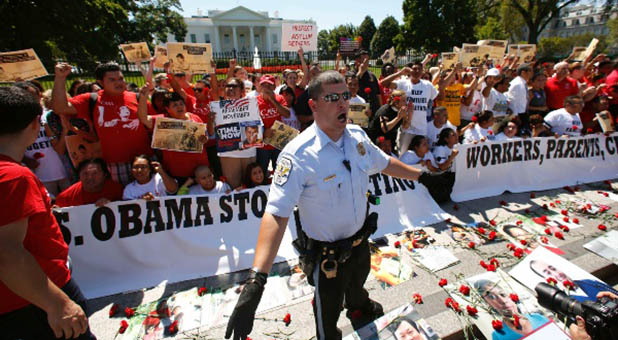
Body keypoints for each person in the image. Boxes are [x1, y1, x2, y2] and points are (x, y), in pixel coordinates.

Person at [224, 71, 423, 340]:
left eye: (344, 96)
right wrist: (256, 280)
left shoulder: (358, 137)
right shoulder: (297, 155)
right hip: (327, 257)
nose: (343, 103)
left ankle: (359, 307)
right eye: (332, 98)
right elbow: (276, 214)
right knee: (327, 315)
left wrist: (423, 176)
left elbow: (385, 163)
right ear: (313, 105)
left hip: (360, 244)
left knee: (357, 284)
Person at [0, 86, 95, 339]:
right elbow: (7, 253)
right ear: (35, 124)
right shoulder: (12, 176)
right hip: (33, 300)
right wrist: (57, 304)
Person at [52, 62, 154, 186]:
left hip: (144, 160)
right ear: (100, 82)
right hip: (115, 164)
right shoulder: (91, 100)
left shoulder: (138, 98)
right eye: (112, 80)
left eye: (121, 78)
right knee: (122, 200)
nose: (119, 82)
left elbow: (154, 125)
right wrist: (60, 78)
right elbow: (60, 108)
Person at [137, 89, 210, 182]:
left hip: (200, 171)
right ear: (167, 109)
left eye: (181, 104)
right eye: (175, 105)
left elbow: (204, 139)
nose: (179, 107)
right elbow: (143, 119)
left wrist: (205, 139)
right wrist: (143, 98)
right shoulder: (163, 122)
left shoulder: (195, 117)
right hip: (178, 174)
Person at [381, 61, 441, 154]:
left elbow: (438, 97)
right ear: (410, 70)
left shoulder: (428, 85)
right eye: (414, 69)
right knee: (403, 155)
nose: (417, 71)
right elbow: (383, 83)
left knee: (420, 155)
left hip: (421, 128)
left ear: (423, 71)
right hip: (406, 128)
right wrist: (400, 73)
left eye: (419, 69)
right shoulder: (403, 83)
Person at [474, 279, 549, 340]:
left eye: (503, 295)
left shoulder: (538, 318)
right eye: (492, 297)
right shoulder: (498, 336)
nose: (503, 301)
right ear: (488, 305)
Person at [529, 259, 618, 303]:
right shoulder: (566, 300)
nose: (556, 274)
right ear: (546, 280)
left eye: (553, 269)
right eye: (548, 273)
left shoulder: (589, 282)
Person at [256, 75, 290, 174]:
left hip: (278, 142)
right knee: (262, 171)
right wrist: (263, 132)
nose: (266, 87)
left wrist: (273, 100)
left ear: (274, 87)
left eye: (269, 85)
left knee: (280, 172)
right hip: (263, 144)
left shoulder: (279, 98)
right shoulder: (255, 101)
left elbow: (287, 114)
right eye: (264, 85)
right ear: (260, 87)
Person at [55, 158, 123, 208]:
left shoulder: (117, 190)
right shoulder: (66, 197)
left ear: (104, 175)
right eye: (85, 173)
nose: (90, 177)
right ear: (79, 175)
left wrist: (112, 205)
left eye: (95, 173)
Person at [507, 64, 533, 129]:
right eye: (530, 71)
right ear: (523, 72)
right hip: (518, 114)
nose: (532, 73)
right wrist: (515, 115)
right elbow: (512, 100)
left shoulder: (522, 83)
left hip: (523, 112)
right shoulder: (517, 84)